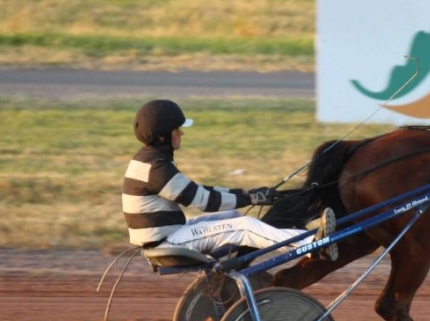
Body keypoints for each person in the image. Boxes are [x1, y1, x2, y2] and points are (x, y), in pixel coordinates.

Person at [122, 99, 338, 260]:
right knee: (244, 226)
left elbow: (200, 191)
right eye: (176, 130)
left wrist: (248, 194)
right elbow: (205, 202)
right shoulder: (156, 168)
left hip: (167, 235)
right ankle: (312, 245)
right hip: (166, 242)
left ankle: (227, 270)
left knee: (232, 216)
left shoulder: (149, 160)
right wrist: (252, 199)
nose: (181, 134)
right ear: (162, 137)